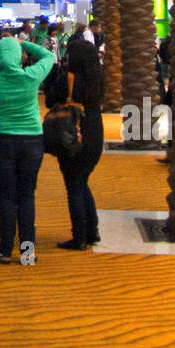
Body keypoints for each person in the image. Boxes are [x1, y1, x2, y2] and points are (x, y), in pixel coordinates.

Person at [0, 35, 55, 264]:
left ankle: (5, 250)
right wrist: (24, 44)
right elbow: (49, 56)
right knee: (27, 196)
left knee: (7, 197)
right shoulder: (30, 77)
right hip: (32, 141)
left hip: (3, 141)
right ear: (18, 56)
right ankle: (27, 252)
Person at [55, 25, 104, 249]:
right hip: (95, 130)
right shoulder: (98, 78)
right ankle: (92, 231)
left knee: (74, 184)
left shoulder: (68, 79)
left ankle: (80, 237)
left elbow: (50, 100)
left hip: (72, 133)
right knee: (82, 181)